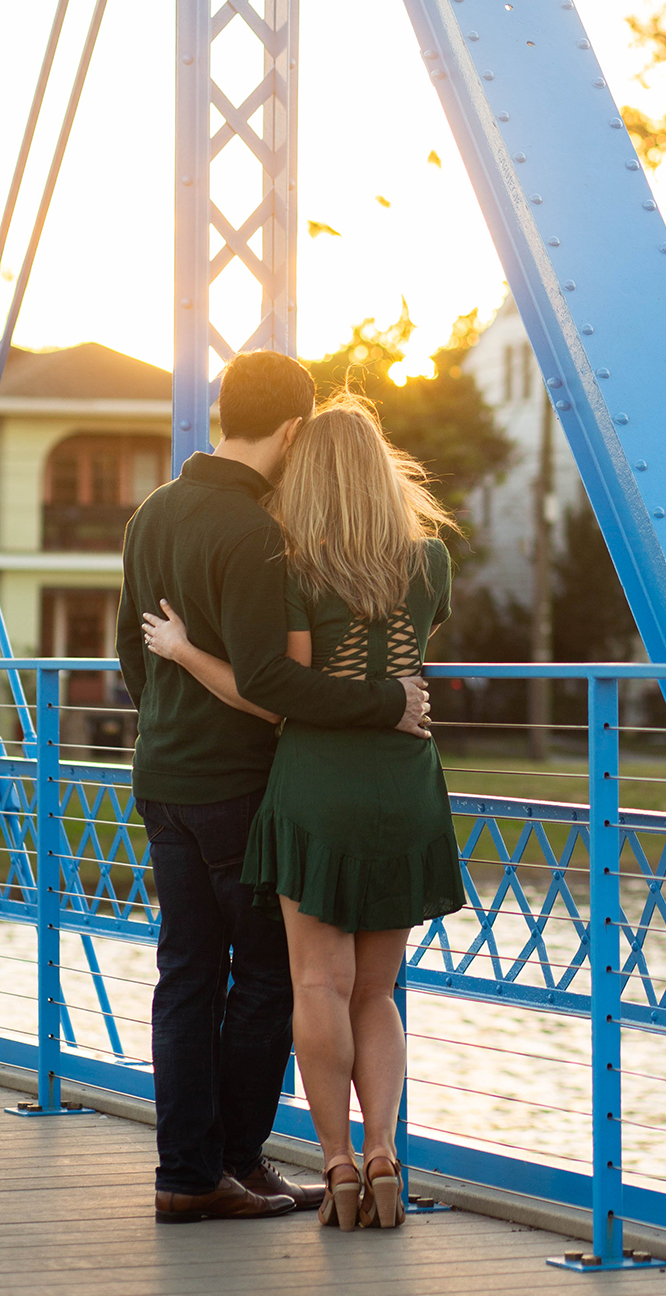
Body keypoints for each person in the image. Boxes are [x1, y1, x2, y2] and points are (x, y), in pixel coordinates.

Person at [117, 352, 432, 1225]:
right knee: (264, 980)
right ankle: (236, 1164)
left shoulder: (152, 514)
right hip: (241, 786)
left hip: (163, 774)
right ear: (294, 432)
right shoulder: (262, 534)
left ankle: (182, 1171)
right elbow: (271, 685)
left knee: (183, 973)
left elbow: (126, 654)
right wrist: (387, 701)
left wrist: (172, 708)